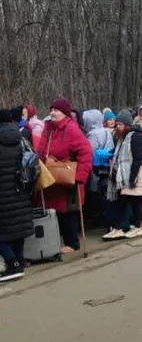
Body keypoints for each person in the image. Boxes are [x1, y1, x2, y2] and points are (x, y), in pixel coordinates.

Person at [36, 98, 92, 253]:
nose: (52, 113)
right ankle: (55, 242)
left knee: (67, 210)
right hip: (51, 176)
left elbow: (86, 153)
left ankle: (72, 243)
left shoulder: (71, 129)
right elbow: (41, 150)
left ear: (65, 113)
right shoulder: (48, 129)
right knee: (53, 210)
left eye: (56, 110)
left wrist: (80, 177)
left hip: (67, 176)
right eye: (51, 109)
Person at [0, 109, 34, 282]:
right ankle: (19, 261)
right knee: (18, 229)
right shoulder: (21, 139)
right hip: (21, 191)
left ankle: (11, 263)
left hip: (3, 196)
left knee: (3, 233)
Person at [104, 110, 142, 240]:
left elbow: (138, 159)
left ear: (127, 125)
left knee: (135, 201)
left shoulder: (135, 137)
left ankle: (137, 227)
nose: (117, 127)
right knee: (126, 201)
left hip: (135, 172)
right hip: (126, 173)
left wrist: (133, 176)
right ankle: (122, 227)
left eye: (120, 124)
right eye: (117, 124)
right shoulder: (122, 138)